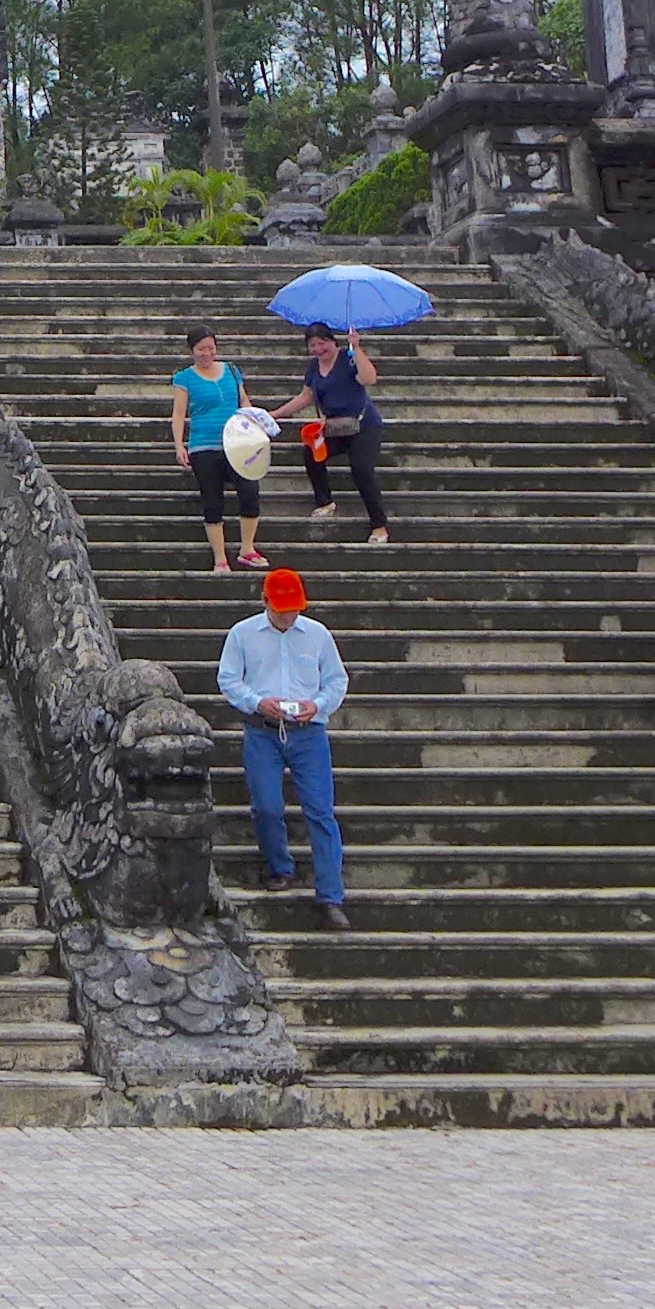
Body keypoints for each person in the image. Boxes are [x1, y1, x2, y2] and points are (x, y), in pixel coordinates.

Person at [218, 564, 351, 926]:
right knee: (267, 805)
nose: (289, 616)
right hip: (263, 730)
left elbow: (336, 680)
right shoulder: (243, 634)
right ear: (265, 601)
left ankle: (331, 894)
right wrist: (256, 701)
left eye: (294, 609)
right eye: (282, 610)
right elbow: (228, 679)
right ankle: (279, 865)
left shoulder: (317, 634)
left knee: (321, 811)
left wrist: (318, 705)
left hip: (309, 733)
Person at [270, 322, 392, 544]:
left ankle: (379, 525)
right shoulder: (313, 367)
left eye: (322, 343)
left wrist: (357, 348)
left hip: (363, 425)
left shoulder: (348, 357)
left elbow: (369, 378)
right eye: (313, 345)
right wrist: (276, 414)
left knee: (362, 471)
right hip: (335, 427)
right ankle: (325, 502)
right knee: (311, 454)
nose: (318, 349)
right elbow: (306, 396)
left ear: (333, 341)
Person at [169, 326, 266, 573]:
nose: (207, 353)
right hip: (204, 445)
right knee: (212, 500)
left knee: (250, 492)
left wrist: (253, 422)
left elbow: (243, 401)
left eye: (211, 348)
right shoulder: (184, 378)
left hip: (237, 443)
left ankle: (247, 548)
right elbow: (179, 414)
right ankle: (220, 557)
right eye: (201, 349)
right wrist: (179, 445)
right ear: (191, 350)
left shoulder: (232, 370)